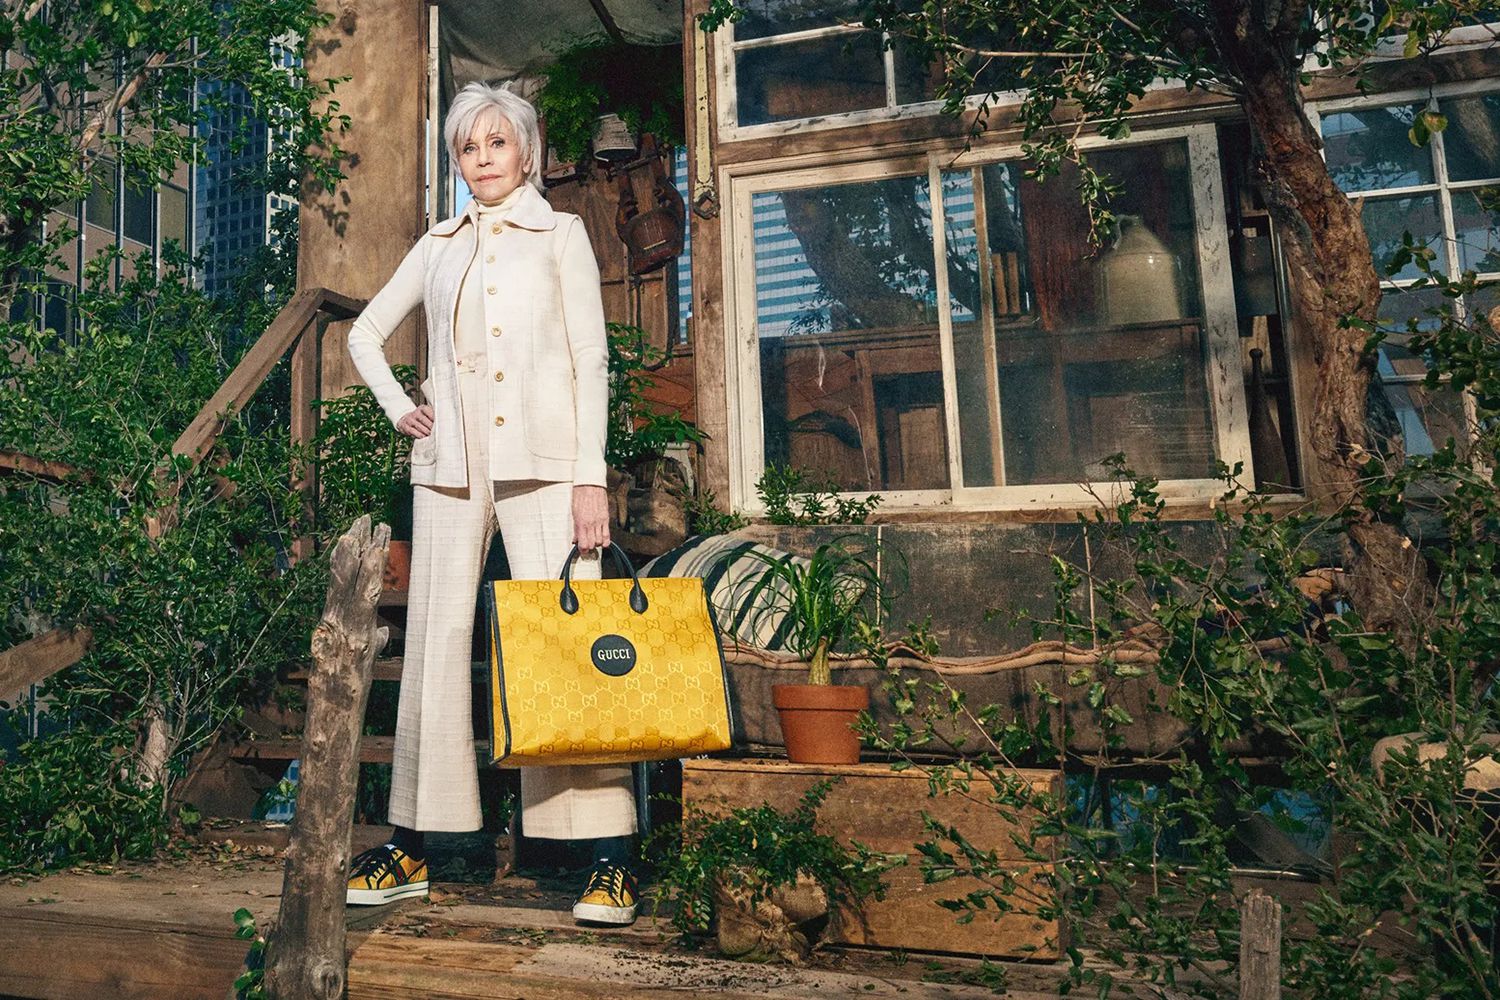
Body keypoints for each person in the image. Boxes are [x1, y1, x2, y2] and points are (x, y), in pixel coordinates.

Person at [341, 82, 638, 925]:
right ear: (457, 162)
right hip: (448, 470)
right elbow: (366, 335)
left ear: (527, 152)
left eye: (497, 144)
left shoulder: (563, 235)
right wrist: (403, 407)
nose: (482, 160)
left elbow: (591, 359)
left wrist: (590, 475)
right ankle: (412, 844)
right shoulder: (436, 246)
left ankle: (605, 858)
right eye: (468, 149)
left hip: (548, 468)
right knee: (436, 646)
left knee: (568, 646)